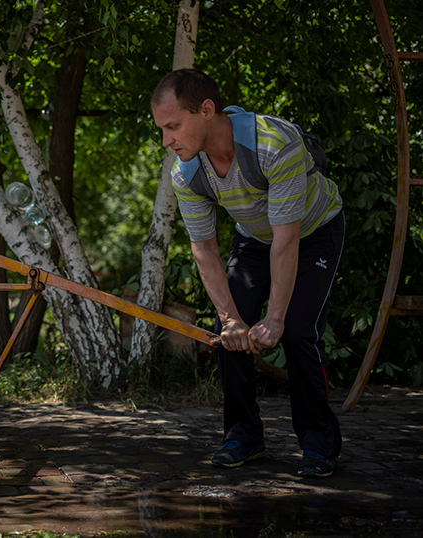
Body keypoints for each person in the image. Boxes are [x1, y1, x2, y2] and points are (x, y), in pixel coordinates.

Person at [151, 69, 345, 478]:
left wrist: (274, 319)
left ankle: (318, 443)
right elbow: (204, 249)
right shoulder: (186, 172)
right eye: (162, 130)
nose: (167, 141)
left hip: (311, 232)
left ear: (206, 110)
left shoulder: (274, 143)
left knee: (295, 330)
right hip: (255, 238)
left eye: (173, 127)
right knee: (230, 336)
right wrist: (230, 318)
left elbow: (287, 239)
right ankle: (243, 435)